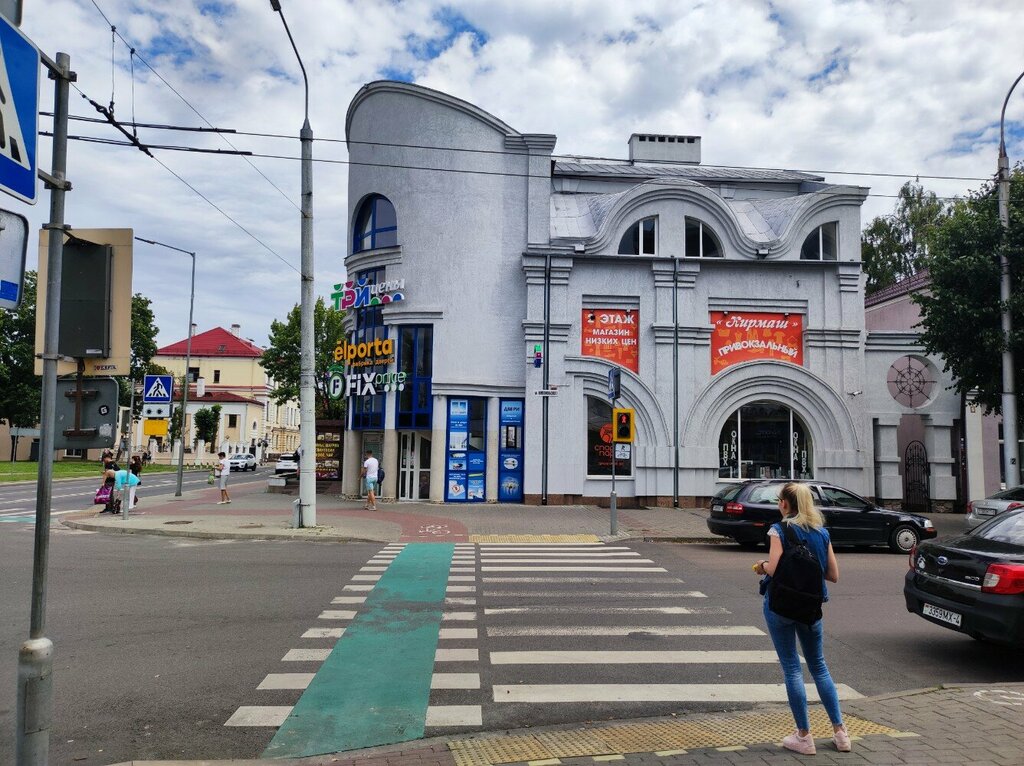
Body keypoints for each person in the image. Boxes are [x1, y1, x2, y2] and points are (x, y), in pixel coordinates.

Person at [753, 482, 850, 755]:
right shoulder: (822, 533)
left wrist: (761, 566)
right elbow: (833, 575)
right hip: (810, 608)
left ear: (785, 504)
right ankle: (841, 733)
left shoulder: (779, 530)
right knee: (819, 666)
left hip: (781, 607)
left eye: (779, 500)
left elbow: (774, 568)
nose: (778, 504)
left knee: (792, 668)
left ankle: (804, 737)